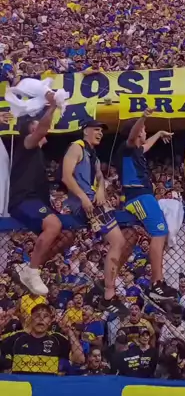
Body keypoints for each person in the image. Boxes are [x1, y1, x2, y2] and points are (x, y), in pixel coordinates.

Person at [62, 119, 126, 312]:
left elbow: (100, 177)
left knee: (119, 242)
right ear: (85, 131)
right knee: (118, 241)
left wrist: (100, 190)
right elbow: (66, 176)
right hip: (83, 203)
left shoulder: (94, 156)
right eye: (96, 129)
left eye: (101, 130)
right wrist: (83, 198)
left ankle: (109, 290)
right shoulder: (76, 147)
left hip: (93, 200)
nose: (100, 133)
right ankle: (109, 293)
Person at [8, 94, 65, 295]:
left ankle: (30, 266)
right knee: (54, 225)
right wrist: (52, 107)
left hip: (36, 201)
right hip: (23, 199)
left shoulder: (38, 154)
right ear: (32, 129)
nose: (44, 128)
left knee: (67, 235)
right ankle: (32, 271)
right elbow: (42, 129)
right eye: (37, 124)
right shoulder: (27, 144)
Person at [117, 109, 174, 307]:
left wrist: (158, 134)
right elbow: (133, 136)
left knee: (158, 232)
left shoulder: (136, 151)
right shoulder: (127, 147)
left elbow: (145, 145)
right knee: (159, 232)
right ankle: (156, 283)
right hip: (138, 196)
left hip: (143, 196)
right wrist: (143, 117)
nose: (145, 132)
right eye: (144, 129)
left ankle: (158, 282)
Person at [0, 303, 84, 374]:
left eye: (45, 316)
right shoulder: (17, 338)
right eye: (37, 316)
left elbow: (80, 360)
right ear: (31, 319)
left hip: (47, 386)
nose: (41, 319)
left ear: (50, 321)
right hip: (22, 386)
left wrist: (70, 332)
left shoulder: (57, 339)